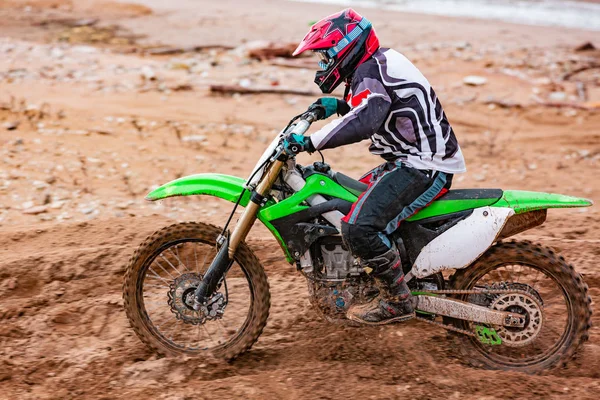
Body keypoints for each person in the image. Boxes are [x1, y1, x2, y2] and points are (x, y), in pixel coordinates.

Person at [284, 8, 467, 325]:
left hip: (424, 167)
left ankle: (398, 301)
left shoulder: (371, 69)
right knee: (346, 200)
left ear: (346, 47)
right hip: (410, 160)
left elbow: (370, 116)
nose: (322, 64)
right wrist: (340, 106)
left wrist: (311, 141)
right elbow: (372, 104)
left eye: (326, 55)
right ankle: (380, 280)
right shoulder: (374, 65)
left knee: (358, 226)